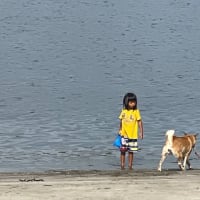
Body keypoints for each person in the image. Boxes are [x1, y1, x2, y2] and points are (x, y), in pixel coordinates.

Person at [118, 92, 143, 170]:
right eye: (131, 102)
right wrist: (120, 129)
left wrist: (141, 132)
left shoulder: (136, 111)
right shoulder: (124, 111)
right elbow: (121, 121)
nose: (133, 104)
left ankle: (130, 165)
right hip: (124, 134)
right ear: (127, 102)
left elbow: (139, 122)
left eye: (134, 102)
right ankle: (122, 165)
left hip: (132, 135)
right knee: (123, 151)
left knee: (131, 151)